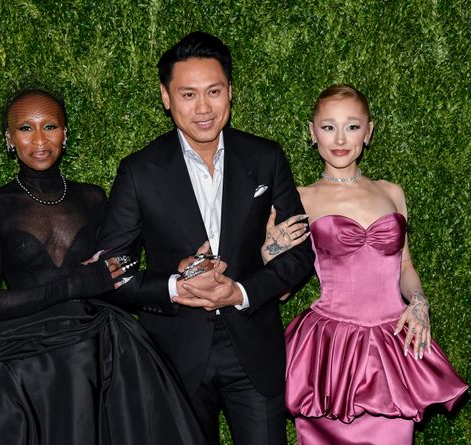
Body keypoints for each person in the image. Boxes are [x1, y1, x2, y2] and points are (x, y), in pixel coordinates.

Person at [0, 89, 208, 445]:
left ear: (65, 133)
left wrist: (174, 275)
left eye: (50, 126)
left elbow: (118, 272)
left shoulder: (93, 198)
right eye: (26, 128)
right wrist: (72, 285)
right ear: (9, 139)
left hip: (99, 346)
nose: (39, 140)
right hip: (25, 357)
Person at [97, 32, 315, 444]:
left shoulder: (265, 158)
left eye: (214, 92)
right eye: (188, 94)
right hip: (174, 356)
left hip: (253, 349)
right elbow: (111, 272)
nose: (203, 108)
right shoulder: (139, 171)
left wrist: (242, 291)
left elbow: (301, 255)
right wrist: (173, 287)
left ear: (230, 92)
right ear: (166, 97)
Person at [262, 84, 468, 444]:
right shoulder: (301, 198)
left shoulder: (392, 192)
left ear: (369, 131)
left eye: (352, 126)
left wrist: (419, 302)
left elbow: (405, 267)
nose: (340, 138)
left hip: (391, 348)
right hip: (330, 354)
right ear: (312, 132)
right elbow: (281, 292)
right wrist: (269, 252)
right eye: (328, 127)